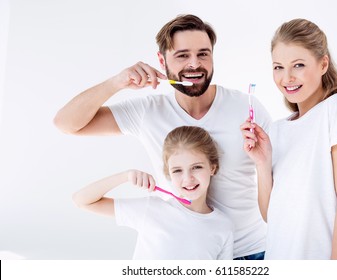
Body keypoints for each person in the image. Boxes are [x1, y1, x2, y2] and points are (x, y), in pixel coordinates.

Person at [54, 14, 272, 259]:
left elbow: (278, 179)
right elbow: (66, 123)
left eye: (203, 54)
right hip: (187, 253)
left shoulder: (247, 108)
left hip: (253, 251)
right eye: (182, 55)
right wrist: (117, 83)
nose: (194, 64)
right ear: (162, 60)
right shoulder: (147, 112)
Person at [241, 18, 337, 259]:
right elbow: (271, 215)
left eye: (298, 65)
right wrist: (262, 162)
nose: (286, 77)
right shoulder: (276, 130)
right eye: (278, 67)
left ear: (323, 64)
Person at [72, 126, 234, 260]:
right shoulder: (151, 209)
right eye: (177, 170)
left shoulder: (223, 226)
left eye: (196, 167)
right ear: (169, 174)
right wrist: (125, 176)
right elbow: (82, 200)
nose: (188, 178)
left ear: (212, 167)